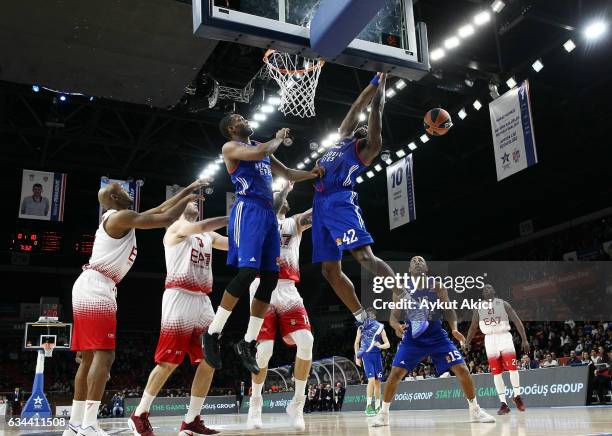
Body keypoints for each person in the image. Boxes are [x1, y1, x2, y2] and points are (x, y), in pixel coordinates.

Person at [63, 180, 203, 436]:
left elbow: (160, 208)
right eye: (125, 191)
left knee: (88, 358)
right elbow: (167, 217)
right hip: (96, 286)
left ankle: (75, 423)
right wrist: (189, 200)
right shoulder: (120, 217)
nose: (130, 194)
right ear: (115, 197)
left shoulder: (122, 217)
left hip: (94, 285)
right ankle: (89, 424)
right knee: (104, 356)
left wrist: (187, 189)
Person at [310, 73, 427, 340]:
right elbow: (356, 108)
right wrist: (374, 82)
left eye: (367, 128)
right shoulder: (342, 138)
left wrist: (382, 88)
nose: (362, 128)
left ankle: (409, 301)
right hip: (320, 204)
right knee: (329, 270)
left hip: (340, 201)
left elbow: (376, 108)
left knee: (364, 258)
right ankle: (365, 321)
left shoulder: (368, 149)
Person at [203, 116, 323, 374]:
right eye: (237, 119)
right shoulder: (231, 148)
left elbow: (289, 174)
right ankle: (212, 333)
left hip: (268, 213)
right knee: (247, 273)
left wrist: (313, 174)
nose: (243, 119)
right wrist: (278, 138)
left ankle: (247, 342)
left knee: (269, 277)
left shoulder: (260, 146)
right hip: (248, 210)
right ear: (232, 129)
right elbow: (261, 151)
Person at [128, 202, 228, 436]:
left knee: (210, 360)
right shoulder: (175, 228)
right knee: (169, 362)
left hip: (203, 300)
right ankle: (139, 414)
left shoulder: (208, 235)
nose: (194, 202)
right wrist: (235, 213)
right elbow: (203, 224)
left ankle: (191, 420)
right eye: (189, 201)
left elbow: (234, 245)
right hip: (179, 295)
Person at [372, 256, 495, 427]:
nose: (417, 261)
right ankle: (383, 413)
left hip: (437, 336)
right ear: (409, 269)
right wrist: (396, 327)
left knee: (462, 369)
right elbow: (394, 316)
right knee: (395, 374)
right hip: (413, 340)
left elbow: (448, 309)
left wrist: (454, 328)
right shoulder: (401, 289)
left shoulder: (436, 285)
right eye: (413, 260)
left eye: (421, 260)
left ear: (426, 268)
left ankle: (475, 410)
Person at [246, 182, 314, 431]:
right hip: (262, 286)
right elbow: (272, 206)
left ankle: (297, 403)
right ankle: (255, 403)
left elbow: (315, 213)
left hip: (287, 289)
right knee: (264, 351)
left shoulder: (294, 222)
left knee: (306, 341)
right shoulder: (262, 219)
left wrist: (331, 190)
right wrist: (284, 187)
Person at [464, 284, 528, 415]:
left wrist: (524, 339)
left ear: (494, 291)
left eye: (489, 288)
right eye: (484, 289)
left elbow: (516, 320)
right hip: (490, 339)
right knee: (496, 373)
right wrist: (467, 342)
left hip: (504, 336)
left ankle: (517, 396)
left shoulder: (504, 304)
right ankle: (503, 404)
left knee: (513, 369)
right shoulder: (478, 308)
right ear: (482, 294)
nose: (487, 289)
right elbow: (473, 326)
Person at [354, 307, 390, 415]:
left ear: (374, 316)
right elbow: (356, 343)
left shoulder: (380, 328)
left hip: (377, 356)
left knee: (378, 382)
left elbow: (387, 344)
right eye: (368, 315)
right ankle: (368, 406)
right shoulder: (361, 327)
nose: (370, 316)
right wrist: (357, 357)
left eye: (371, 315)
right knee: (371, 381)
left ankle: (378, 407)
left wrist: (380, 346)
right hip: (367, 356)